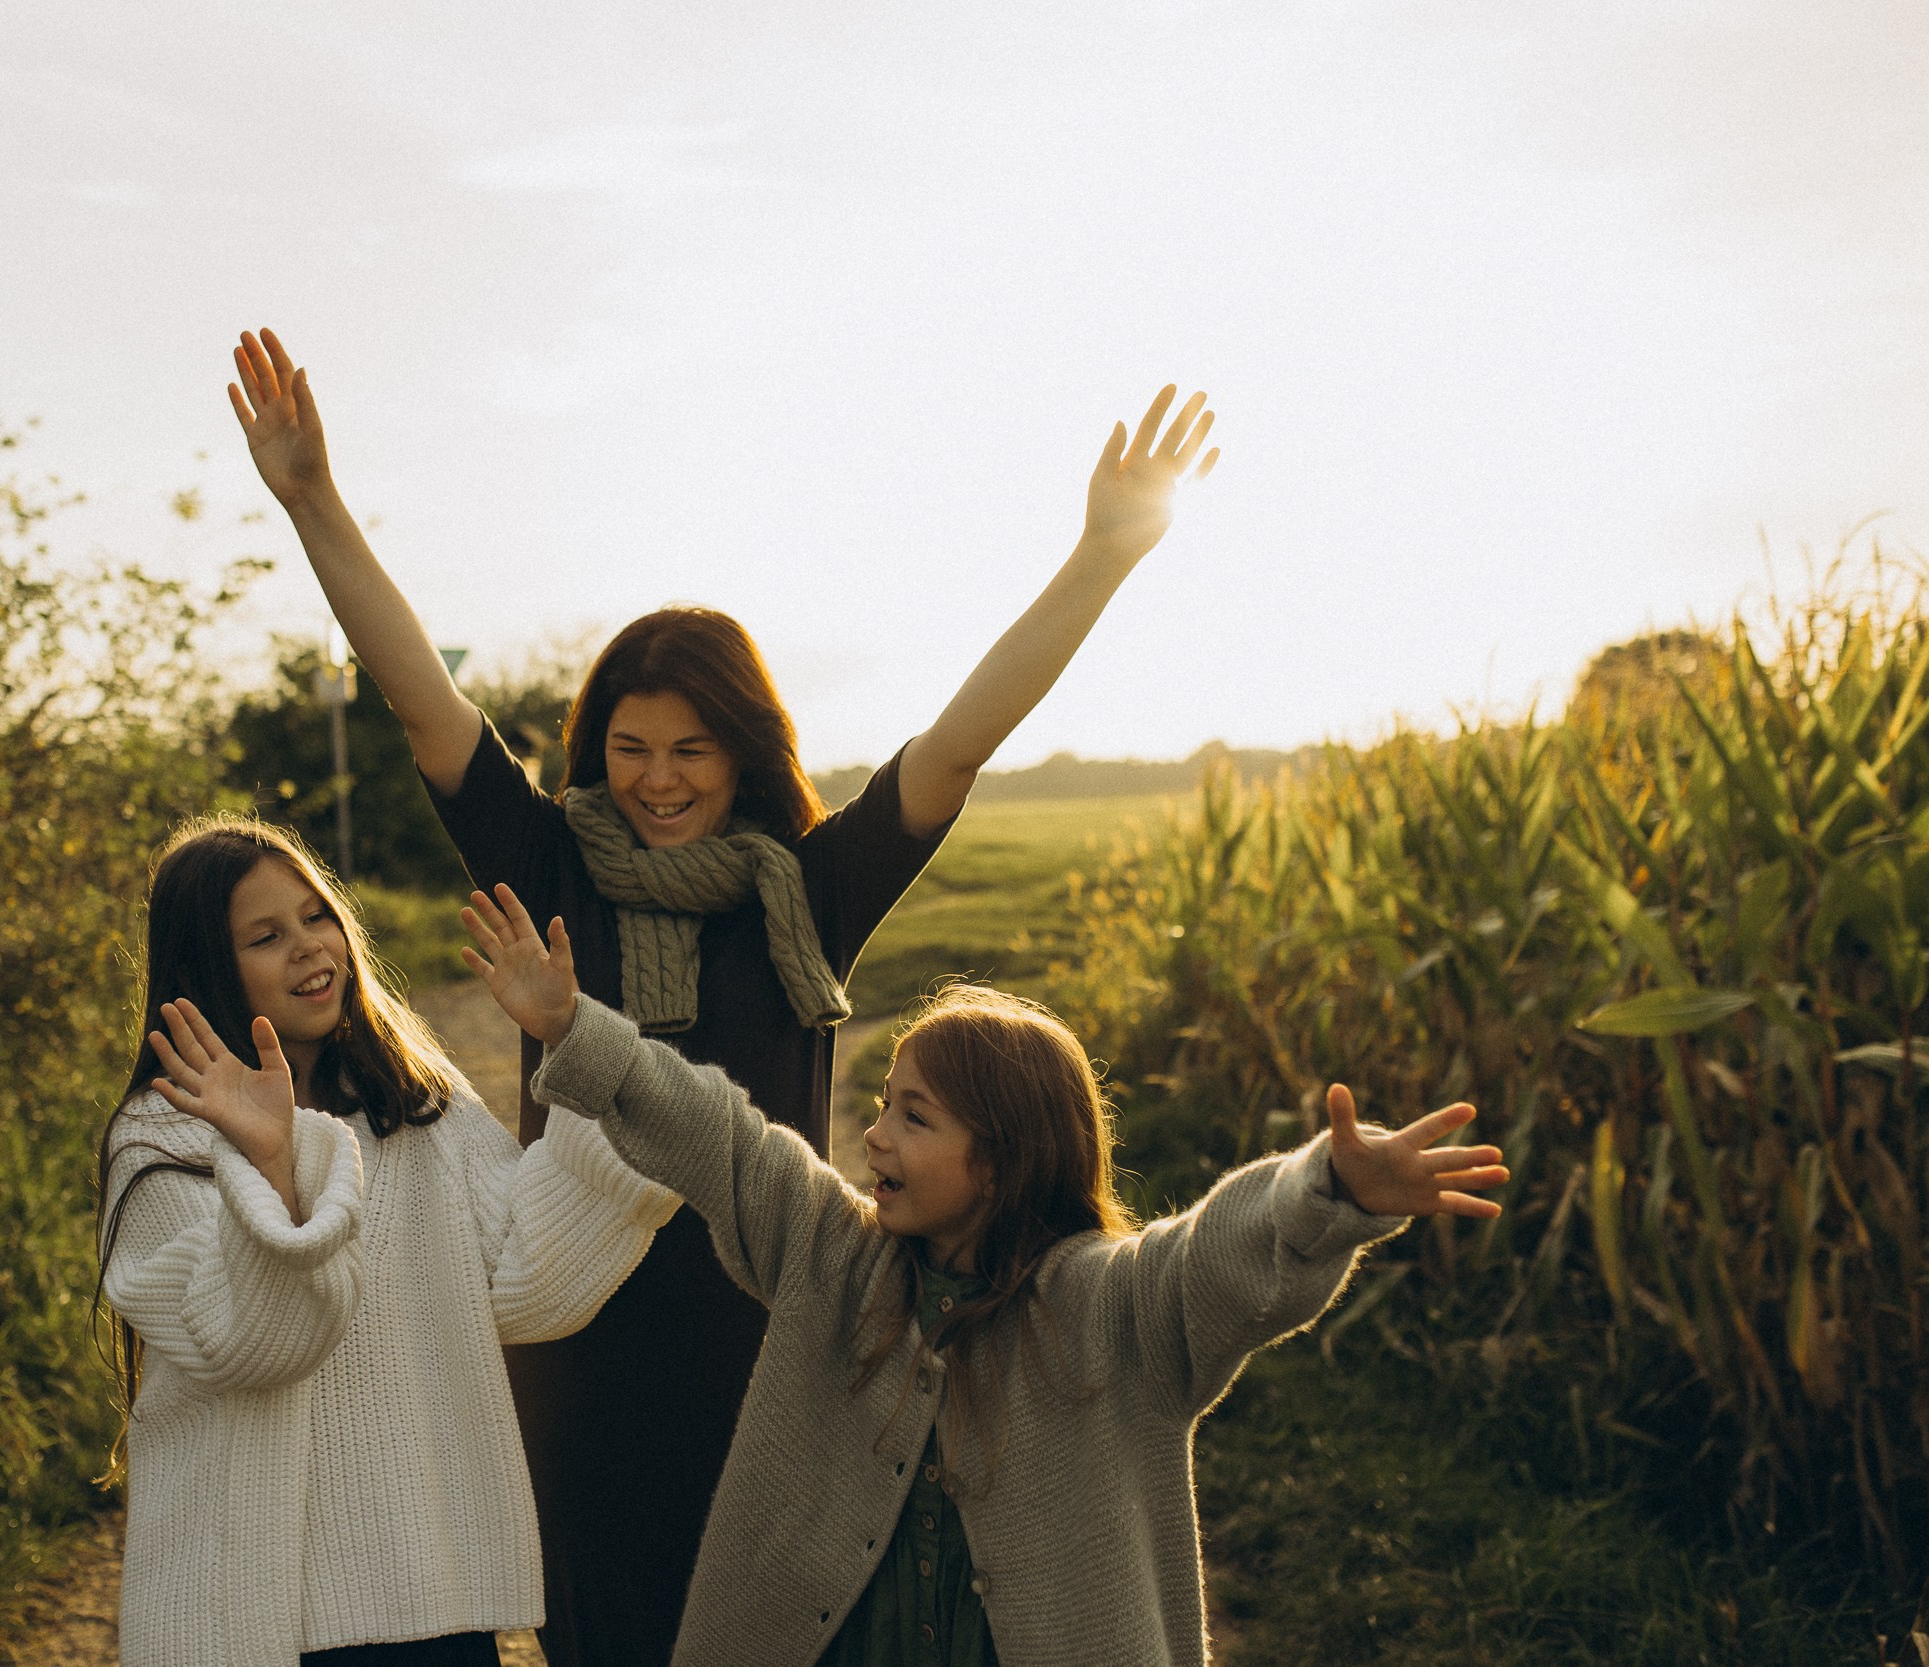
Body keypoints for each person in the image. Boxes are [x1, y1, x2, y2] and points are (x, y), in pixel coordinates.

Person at [227, 326, 1218, 1665]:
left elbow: (961, 741)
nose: (659, 777)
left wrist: (1101, 553)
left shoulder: (806, 889)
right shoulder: (550, 864)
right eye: (630, 746)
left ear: (744, 750)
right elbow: (423, 703)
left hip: (783, 1361)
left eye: (692, 746)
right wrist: (312, 498)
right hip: (581, 1362)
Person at [460, 885, 1512, 1666]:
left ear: (1004, 1160)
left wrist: (1329, 1187)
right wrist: (572, 1028)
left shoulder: (1111, 1305)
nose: (874, 1136)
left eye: (913, 1116)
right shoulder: (833, 1255)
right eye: (882, 1105)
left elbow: (1218, 1250)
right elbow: (723, 1136)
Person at [93, 818, 680, 1667]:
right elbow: (256, 1344)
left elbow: (530, 1275)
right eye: (266, 935)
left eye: (316, 915)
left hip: (430, 1598)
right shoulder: (162, 1139)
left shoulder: (411, 1102)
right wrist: (274, 1165)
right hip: (260, 1623)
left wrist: (573, 1039)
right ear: (203, 969)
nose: (308, 945)